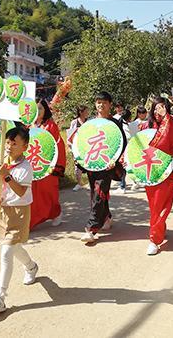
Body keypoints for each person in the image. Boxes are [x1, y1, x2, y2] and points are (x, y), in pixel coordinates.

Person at [0, 126, 38, 314]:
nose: (9, 146)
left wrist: (6, 175)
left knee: (7, 251)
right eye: (7, 142)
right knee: (13, 247)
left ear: (24, 147)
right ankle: (31, 266)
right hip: (3, 211)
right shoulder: (1, 162)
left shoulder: (25, 167)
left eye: (14, 143)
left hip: (19, 211)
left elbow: (21, 191)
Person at [79, 91, 126, 244]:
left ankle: (91, 229)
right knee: (96, 193)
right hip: (93, 164)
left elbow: (121, 143)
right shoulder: (90, 123)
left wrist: (116, 161)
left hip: (107, 166)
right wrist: (80, 161)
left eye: (104, 102)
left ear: (110, 105)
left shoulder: (114, 124)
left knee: (99, 193)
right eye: (98, 102)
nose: (101, 105)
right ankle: (107, 217)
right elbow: (83, 142)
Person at [139, 97, 173, 255]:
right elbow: (137, 146)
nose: (159, 111)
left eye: (162, 108)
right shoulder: (146, 126)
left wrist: (166, 118)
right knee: (154, 207)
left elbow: (171, 139)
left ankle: (154, 239)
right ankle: (159, 229)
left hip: (166, 172)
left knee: (162, 206)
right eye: (156, 108)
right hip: (150, 172)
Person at [29, 99, 65, 229]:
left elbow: (58, 145)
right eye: (35, 108)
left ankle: (56, 213)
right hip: (33, 165)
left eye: (40, 108)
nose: (38, 111)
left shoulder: (50, 126)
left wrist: (56, 165)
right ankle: (33, 219)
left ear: (45, 111)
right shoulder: (29, 126)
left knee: (48, 192)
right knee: (33, 193)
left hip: (47, 165)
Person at [67, 105, 89, 191]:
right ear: (81, 112)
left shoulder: (89, 121)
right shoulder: (74, 122)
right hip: (77, 147)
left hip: (87, 147)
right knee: (78, 166)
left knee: (89, 165)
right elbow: (70, 135)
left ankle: (91, 182)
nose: (87, 113)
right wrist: (71, 147)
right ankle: (79, 183)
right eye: (86, 111)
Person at [114, 109, 132, 194]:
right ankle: (122, 185)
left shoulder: (120, 124)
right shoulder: (126, 126)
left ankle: (122, 186)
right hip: (126, 149)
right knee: (123, 167)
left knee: (123, 168)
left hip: (122, 149)